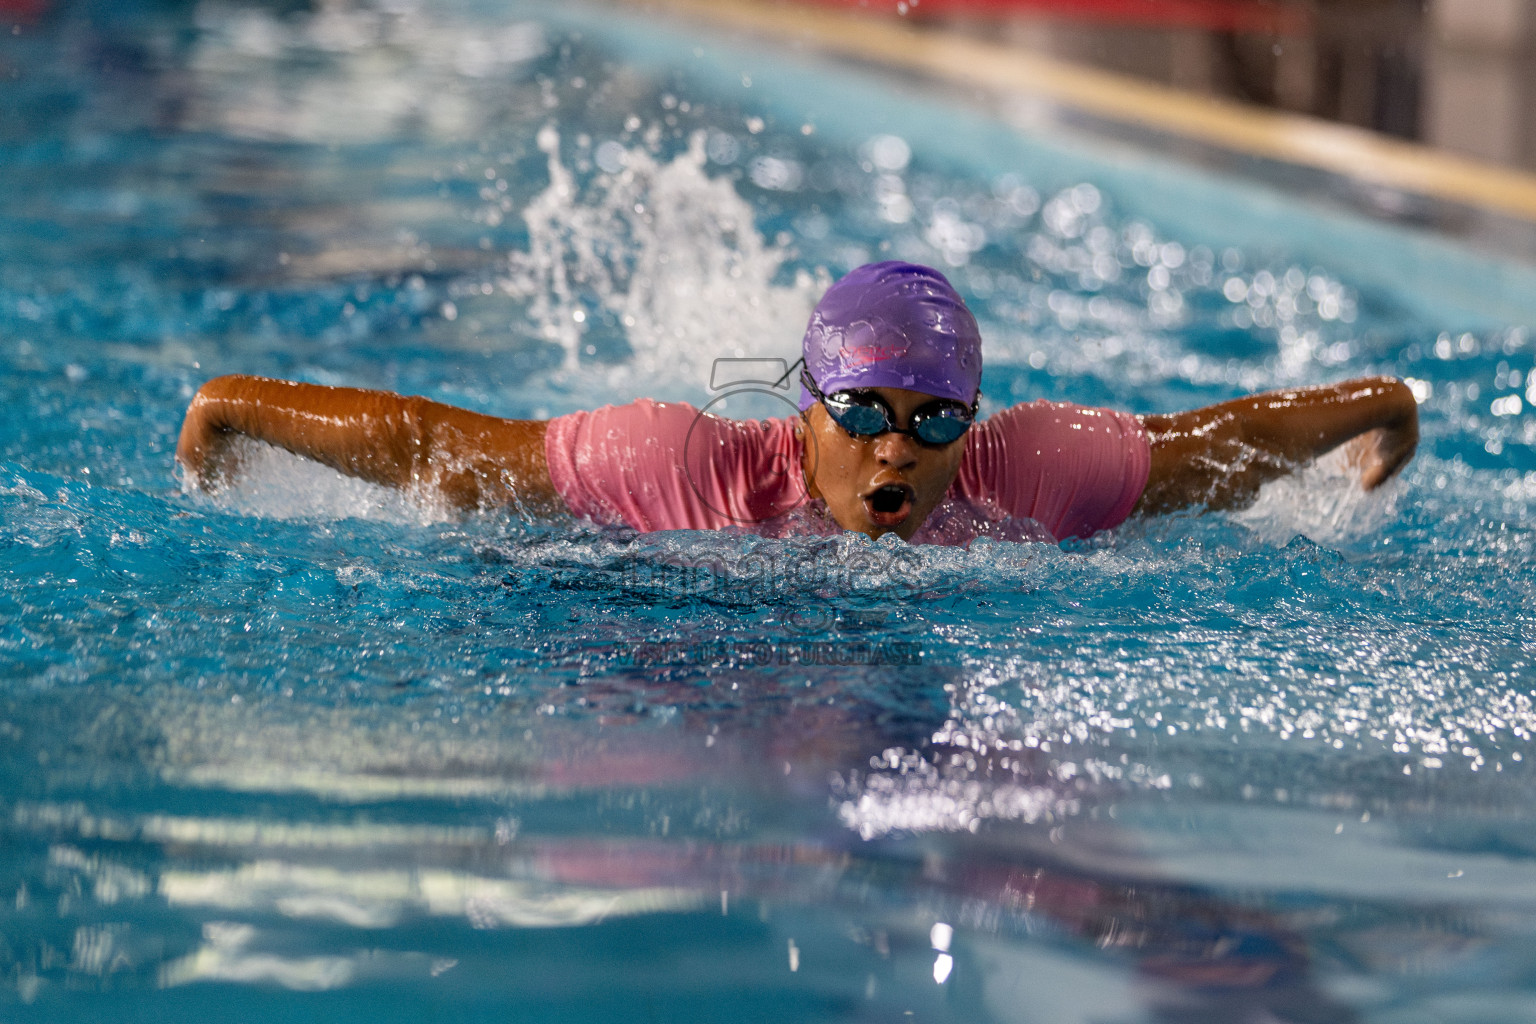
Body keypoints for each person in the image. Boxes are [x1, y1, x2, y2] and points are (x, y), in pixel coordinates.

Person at [176, 261, 1419, 544]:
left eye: (935, 419)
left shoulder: (1029, 470)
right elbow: (438, 448)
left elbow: (1218, 445)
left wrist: (1381, 407)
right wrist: (234, 402)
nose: (899, 446)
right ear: (806, 408)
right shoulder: (682, 465)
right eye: (865, 412)